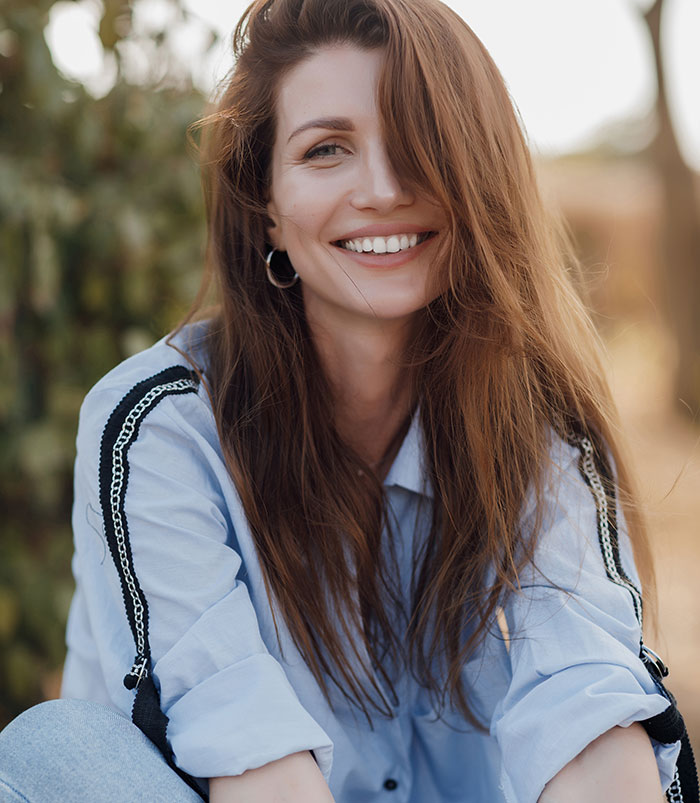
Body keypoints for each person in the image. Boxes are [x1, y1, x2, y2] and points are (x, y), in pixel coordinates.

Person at [0, 0, 687, 801]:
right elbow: (252, 767)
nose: (386, 188)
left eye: (419, 143)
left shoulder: (538, 428)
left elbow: (591, 720)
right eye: (327, 149)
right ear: (266, 208)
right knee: (55, 751)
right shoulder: (159, 430)